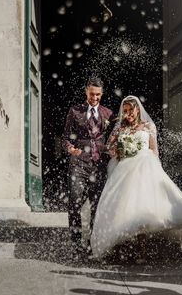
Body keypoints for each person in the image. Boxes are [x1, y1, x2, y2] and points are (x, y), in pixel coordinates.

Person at [90, 95, 182, 260]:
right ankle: (127, 247)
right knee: (126, 208)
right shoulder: (120, 128)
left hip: (145, 168)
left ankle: (142, 250)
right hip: (125, 171)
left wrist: (157, 170)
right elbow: (109, 148)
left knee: (144, 207)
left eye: (130, 110)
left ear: (137, 109)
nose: (128, 113)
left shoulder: (148, 126)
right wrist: (119, 151)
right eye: (125, 111)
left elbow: (154, 150)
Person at [62, 76, 116, 257]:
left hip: (99, 166)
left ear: (102, 94)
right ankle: (77, 244)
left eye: (98, 95)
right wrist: (70, 148)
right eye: (92, 94)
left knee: (97, 205)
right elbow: (65, 138)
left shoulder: (108, 114)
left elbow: (115, 137)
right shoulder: (74, 111)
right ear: (86, 92)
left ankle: (94, 242)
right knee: (75, 202)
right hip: (78, 164)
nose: (95, 98)